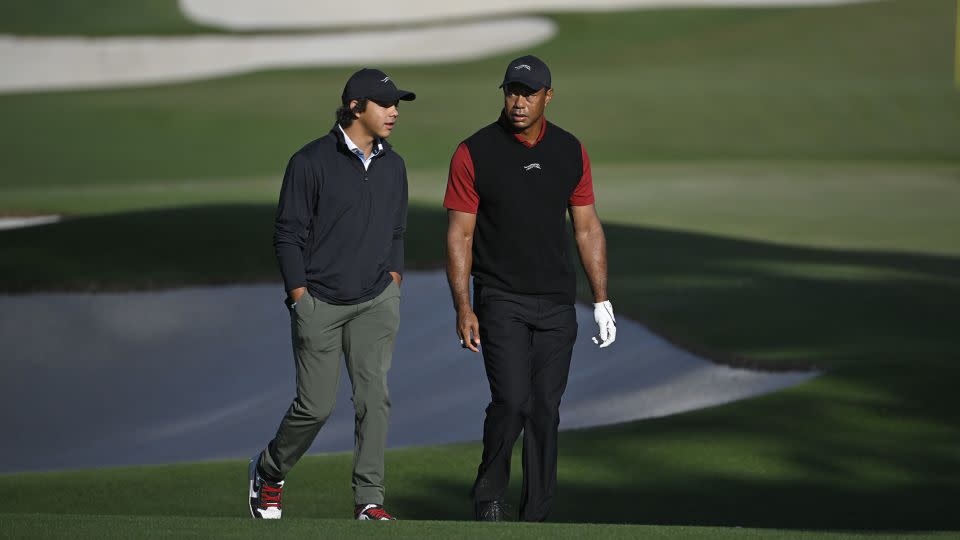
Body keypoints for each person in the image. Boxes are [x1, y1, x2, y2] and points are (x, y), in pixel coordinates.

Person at [444, 54, 617, 522]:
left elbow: (586, 228)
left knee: (545, 409)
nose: (518, 102)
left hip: (557, 302)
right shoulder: (474, 151)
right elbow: (460, 235)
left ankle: (536, 516)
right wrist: (464, 307)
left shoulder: (570, 150)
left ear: (548, 96)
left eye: (528, 93)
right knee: (513, 400)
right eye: (511, 92)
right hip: (500, 297)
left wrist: (601, 299)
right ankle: (490, 496)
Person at [248, 68, 415, 521]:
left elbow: (397, 231)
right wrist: (299, 296)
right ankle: (269, 470)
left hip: (376, 300)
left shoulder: (394, 165)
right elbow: (287, 235)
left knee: (373, 399)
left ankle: (370, 500)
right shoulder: (310, 162)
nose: (394, 112)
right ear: (356, 107)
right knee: (315, 407)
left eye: (396, 104)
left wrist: (394, 279)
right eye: (385, 104)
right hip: (319, 301)